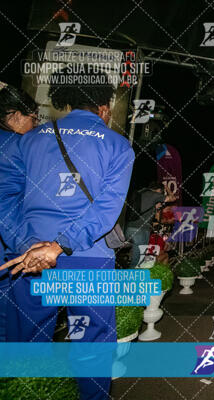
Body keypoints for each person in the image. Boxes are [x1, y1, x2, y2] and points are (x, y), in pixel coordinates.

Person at [0, 68, 134, 400]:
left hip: (28, 260)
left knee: (25, 350)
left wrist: (29, 245)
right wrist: (61, 245)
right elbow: (106, 209)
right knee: (91, 347)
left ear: (65, 100)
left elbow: (4, 200)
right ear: (104, 106)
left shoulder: (26, 141)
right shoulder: (118, 146)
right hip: (86, 259)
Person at [0, 82, 38, 342]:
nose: (34, 126)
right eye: (32, 118)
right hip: (11, 244)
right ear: (14, 115)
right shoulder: (18, 146)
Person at [126, 181, 176, 267]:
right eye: (162, 192)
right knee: (137, 260)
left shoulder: (140, 193)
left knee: (140, 259)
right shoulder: (153, 194)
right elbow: (172, 198)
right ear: (159, 190)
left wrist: (154, 207)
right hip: (140, 230)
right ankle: (129, 279)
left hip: (131, 228)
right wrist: (166, 186)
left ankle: (138, 278)